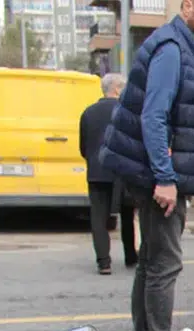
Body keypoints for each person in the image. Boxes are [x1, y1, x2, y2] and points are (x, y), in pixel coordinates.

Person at [98, 0, 194, 331]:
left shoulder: (179, 46)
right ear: (187, 7)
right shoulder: (172, 49)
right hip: (157, 175)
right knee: (165, 262)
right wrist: (166, 177)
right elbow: (153, 115)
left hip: (151, 170)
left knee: (152, 260)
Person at [79, 72, 137, 275]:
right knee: (128, 215)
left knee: (98, 217)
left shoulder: (88, 112)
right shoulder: (126, 112)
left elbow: (84, 146)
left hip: (97, 171)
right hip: (123, 171)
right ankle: (131, 255)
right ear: (117, 89)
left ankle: (104, 261)